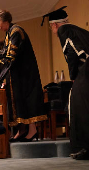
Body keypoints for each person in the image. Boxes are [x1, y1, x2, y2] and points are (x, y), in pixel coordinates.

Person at [0, 9, 47, 142]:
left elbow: (11, 55)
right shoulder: (9, 33)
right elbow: (4, 51)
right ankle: (22, 130)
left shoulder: (16, 31)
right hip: (18, 74)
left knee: (26, 100)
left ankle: (32, 130)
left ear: (5, 20)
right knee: (18, 102)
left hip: (25, 73)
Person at [42, 6, 89, 160]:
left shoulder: (64, 31)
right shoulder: (78, 29)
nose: (52, 30)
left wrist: (73, 76)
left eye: (51, 27)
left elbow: (71, 52)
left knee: (77, 105)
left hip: (85, 70)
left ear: (55, 25)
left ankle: (83, 148)